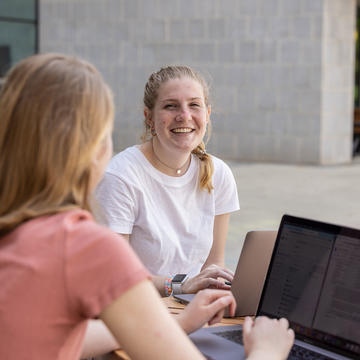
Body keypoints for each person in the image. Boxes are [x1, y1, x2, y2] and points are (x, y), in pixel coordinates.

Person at [0, 53, 294, 360]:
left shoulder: (17, 234)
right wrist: (267, 351)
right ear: (95, 147)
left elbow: (59, 335)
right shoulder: (84, 246)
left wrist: (175, 324)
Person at [96, 65, 240, 296]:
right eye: (170, 106)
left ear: (207, 114)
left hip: (192, 305)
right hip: (137, 310)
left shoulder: (218, 173)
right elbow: (115, 277)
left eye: (194, 105)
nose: (184, 116)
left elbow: (214, 266)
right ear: (149, 117)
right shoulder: (120, 177)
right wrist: (180, 286)